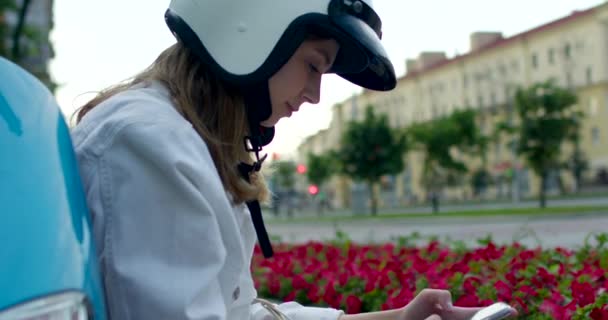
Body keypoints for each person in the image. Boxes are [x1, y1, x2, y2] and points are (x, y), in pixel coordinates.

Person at [71, 0, 517, 319]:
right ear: (255, 31)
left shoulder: (188, 141)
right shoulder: (148, 143)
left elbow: (239, 312)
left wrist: (400, 319)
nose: (314, 95)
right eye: (313, 65)